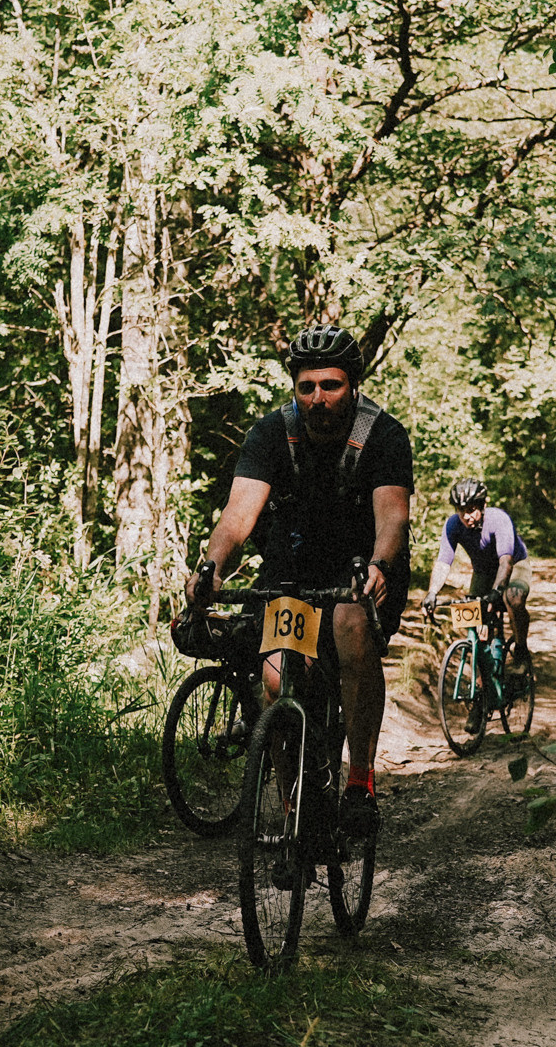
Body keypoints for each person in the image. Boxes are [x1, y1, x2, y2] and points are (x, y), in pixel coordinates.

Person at [182, 323, 413, 837]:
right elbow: (238, 515)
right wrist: (211, 570)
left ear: (352, 386)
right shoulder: (270, 433)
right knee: (275, 678)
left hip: (361, 568)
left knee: (352, 626)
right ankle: (294, 809)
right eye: (306, 386)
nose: (318, 398)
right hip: (292, 568)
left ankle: (360, 783)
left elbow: (393, 517)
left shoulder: (383, 436)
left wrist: (378, 566)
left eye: (330, 386)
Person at [422, 478, 531, 663]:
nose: (466, 517)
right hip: (483, 570)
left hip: (514, 565)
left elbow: (506, 562)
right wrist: (432, 593)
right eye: (461, 511)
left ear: (482, 506)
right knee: (470, 612)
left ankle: (521, 648)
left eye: (471, 510)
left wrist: (496, 592)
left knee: (513, 596)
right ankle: (479, 679)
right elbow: (443, 563)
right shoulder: (453, 525)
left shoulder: (499, 519)